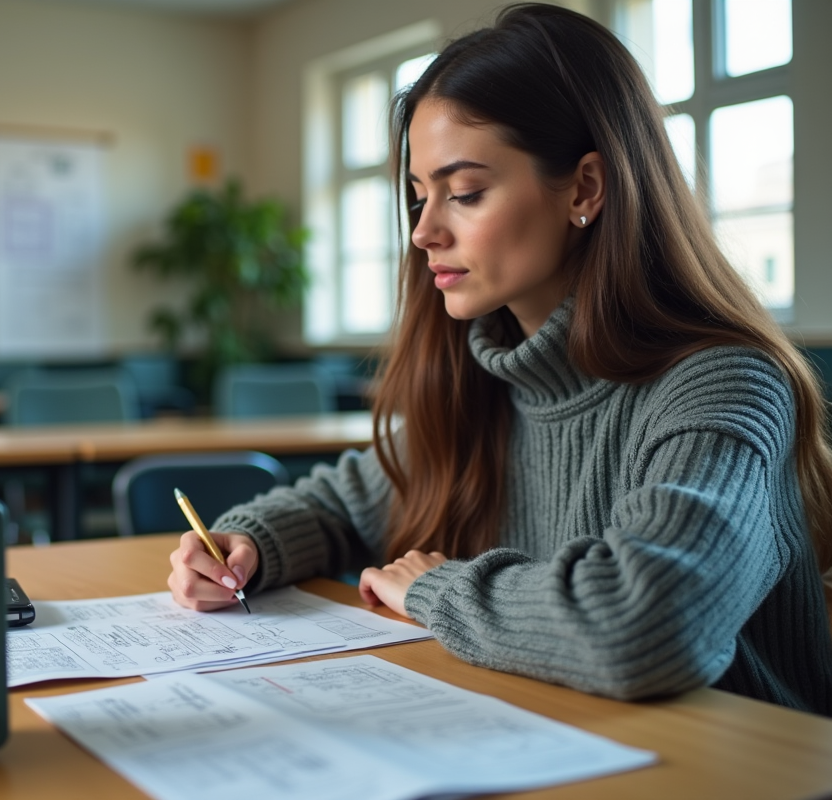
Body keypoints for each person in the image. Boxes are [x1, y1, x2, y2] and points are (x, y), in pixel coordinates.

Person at [166, 2, 832, 716]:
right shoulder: (486, 381)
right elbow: (338, 503)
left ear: (584, 188)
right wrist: (248, 546)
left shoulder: (724, 385)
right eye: (419, 196)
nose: (423, 232)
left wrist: (437, 588)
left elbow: (646, 625)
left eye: (465, 193)